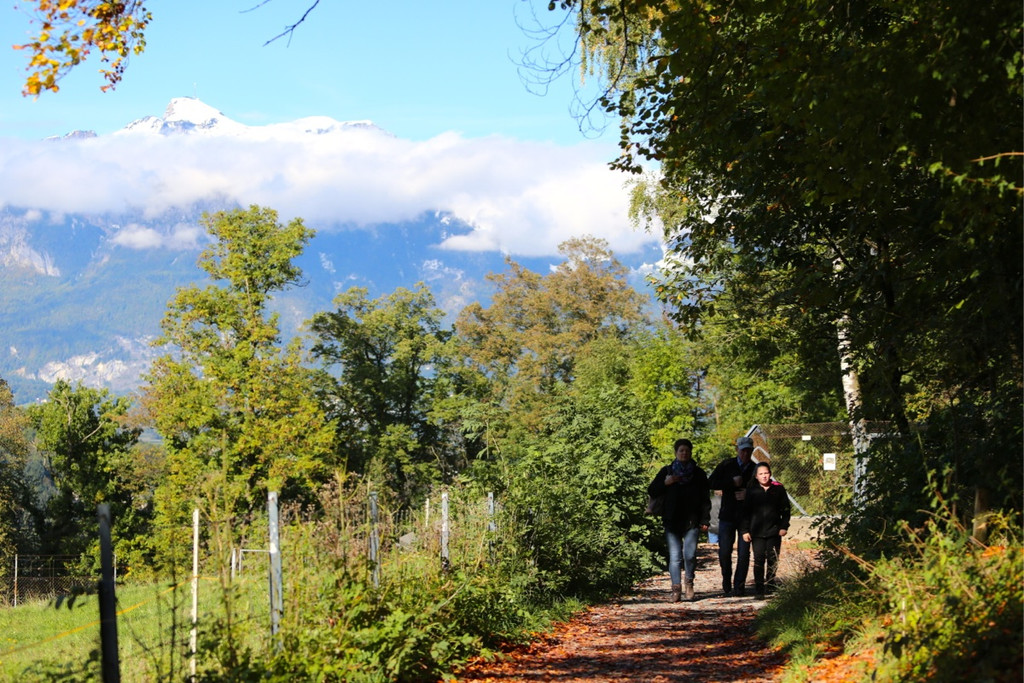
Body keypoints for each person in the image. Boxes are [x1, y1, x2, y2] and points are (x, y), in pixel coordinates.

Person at [648, 438, 711, 602]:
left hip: (692, 521)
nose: (684, 453)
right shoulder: (667, 471)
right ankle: (676, 589)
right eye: (681, 450)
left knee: (689, 555)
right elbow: (652, 490)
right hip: (671, 521)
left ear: (691, 453)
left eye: (687, 451)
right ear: (676, 453)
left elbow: (705, 498)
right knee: (675, 556)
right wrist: (665, 483)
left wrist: (705, 519)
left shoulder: (698, 474)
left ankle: (689, 582)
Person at [708, 435, 757, 596]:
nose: (745, 454)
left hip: (746, 518)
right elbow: (711, 483)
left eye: (748, 451)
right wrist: (731, 483)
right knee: (724, 551)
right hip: (727, 515)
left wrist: (748, 494)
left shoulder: (756, 468)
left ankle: (739, 585)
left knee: (744, 553)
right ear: (737, 450)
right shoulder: (727, 465)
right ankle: (726, 580)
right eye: (743, 451)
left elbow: (763, 489)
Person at [740, 462, 791, 600]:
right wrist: (745, 530)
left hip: (774, 531)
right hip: (756, 532)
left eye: (766, 473)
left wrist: (783, 526)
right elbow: (745, 512)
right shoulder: (752, 491)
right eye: (761, 474)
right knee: (758, 559)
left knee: (773, 559)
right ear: (756, 476)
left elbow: (786, 509)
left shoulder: (778, 489)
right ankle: (759, 588)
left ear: (770, 474)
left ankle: (771, 584)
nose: (764, 476)